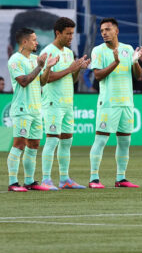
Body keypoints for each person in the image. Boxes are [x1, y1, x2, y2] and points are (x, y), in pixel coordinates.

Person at [88, 18, 142, 189]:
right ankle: (94, 178)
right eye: (102, 30)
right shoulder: (98, 51)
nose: (104, 33)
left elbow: (138, 76)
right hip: (108, 103)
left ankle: (121, 178)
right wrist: (116, 62)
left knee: (125, 142)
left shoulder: (127, 49)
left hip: (126, 103)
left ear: (116, 31)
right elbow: (97, 75)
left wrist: (135, 62)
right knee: (101, 140)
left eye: (108, 29)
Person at [40, 17, 89, 190]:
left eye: (72, 34)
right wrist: (70, 69)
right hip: (53, 102)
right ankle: (46, 179)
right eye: (67, 34)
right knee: (52, 140)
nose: (70, 37)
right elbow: (46, 79)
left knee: (67, 141)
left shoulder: (68, 53)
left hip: (68, 102)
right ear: (58, 33)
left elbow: (71, 78)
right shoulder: (48, 52)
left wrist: (78, 69)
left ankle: (64, 179)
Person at [7, 28, 58, 192]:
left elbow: (41, 82)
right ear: (24, 42)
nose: (37, 42)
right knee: (19, 144)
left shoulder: (36, 59)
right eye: (34, 40)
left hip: (37, 109)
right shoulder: (15, 60)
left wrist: (47, 68)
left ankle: (29, 181)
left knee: (34, 144)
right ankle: (13, 182)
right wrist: (39, 67)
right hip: (22, 109)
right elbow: (23, 81)